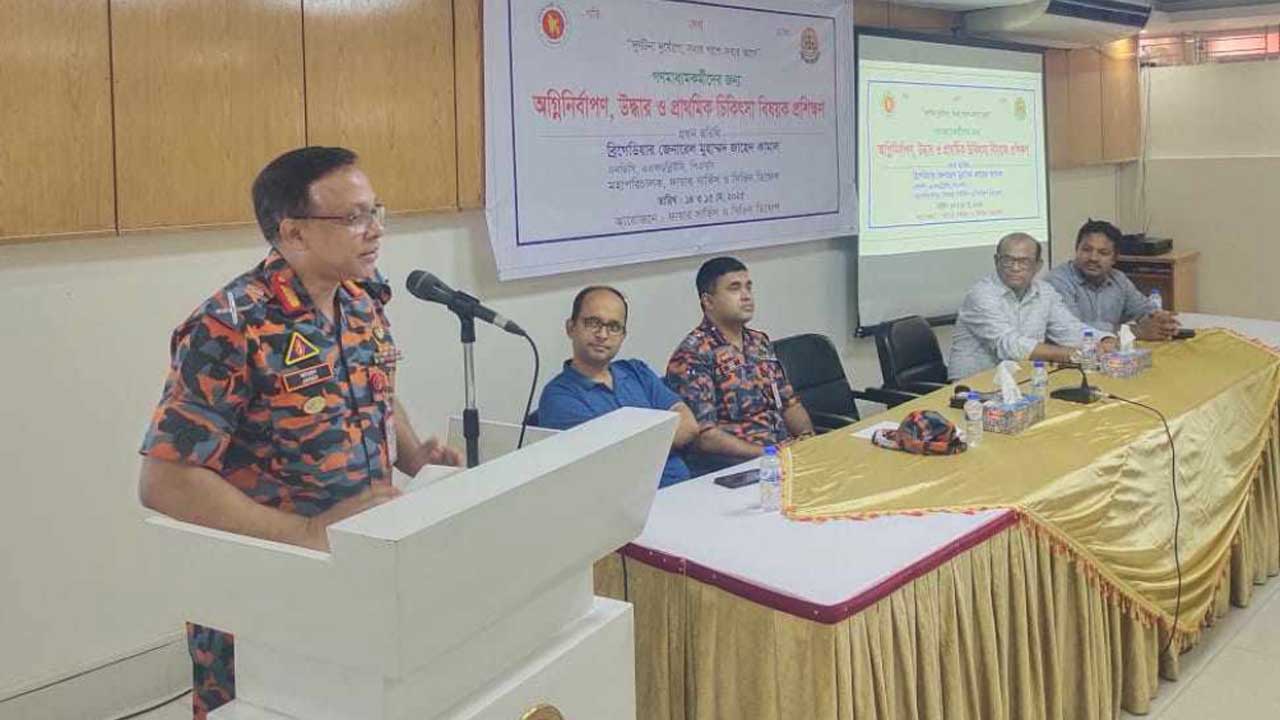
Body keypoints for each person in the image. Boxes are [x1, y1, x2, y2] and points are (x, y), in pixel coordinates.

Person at [137, 146, 462, 718]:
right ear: (293, 232)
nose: (375, 230)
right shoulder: (231, 324)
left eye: (375, 210)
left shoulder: (361, 297)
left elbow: (375, 384)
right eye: (353, 217)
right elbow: (165, 481)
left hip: (359, 567)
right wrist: (307, 532)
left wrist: (413, 455)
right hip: (265, 588)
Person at [666, 257, 814, 475]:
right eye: (734, 289)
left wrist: (809, 440)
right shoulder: (693, 355)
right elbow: (704, 437)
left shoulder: (759, 342)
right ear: (708, 301)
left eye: (748, 287)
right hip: (736, 468)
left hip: (782, 457)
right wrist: (768, 453)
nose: (746, 296)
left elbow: (789, 403)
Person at [538, 286, 699, 487]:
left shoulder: (637, 371)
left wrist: (631, 444)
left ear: (623, 335)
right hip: (631, 501)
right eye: (593, 323)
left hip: (685, 489)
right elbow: (608, 459)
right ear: (571, 327)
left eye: (614, 327)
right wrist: (662, 434)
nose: (602, 334)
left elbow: (688, 426)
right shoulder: (559, 397)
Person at [949, 233, 1117, 379]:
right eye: (1008, 260)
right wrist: (1074, 354)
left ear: (1038, 265)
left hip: (1022, 380)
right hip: (972, 386)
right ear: (996, 261)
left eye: (1024, 262)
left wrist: (1103, 340)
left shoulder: (1045, 291)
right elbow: (1010, 346)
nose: (1015, 268)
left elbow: (1068, 328)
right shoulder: (981, 294)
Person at [1045, 219, 1180, 340]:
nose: (1093, 258)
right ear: (1077, 250)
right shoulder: (1058, 281)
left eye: (1103, 253)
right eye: (1086, 250)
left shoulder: (1118, 279)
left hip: (1109, 353)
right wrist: (1135, 331)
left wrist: (1160, 320)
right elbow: (1072, 329)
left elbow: (1143, 309)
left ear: (1114, 258)